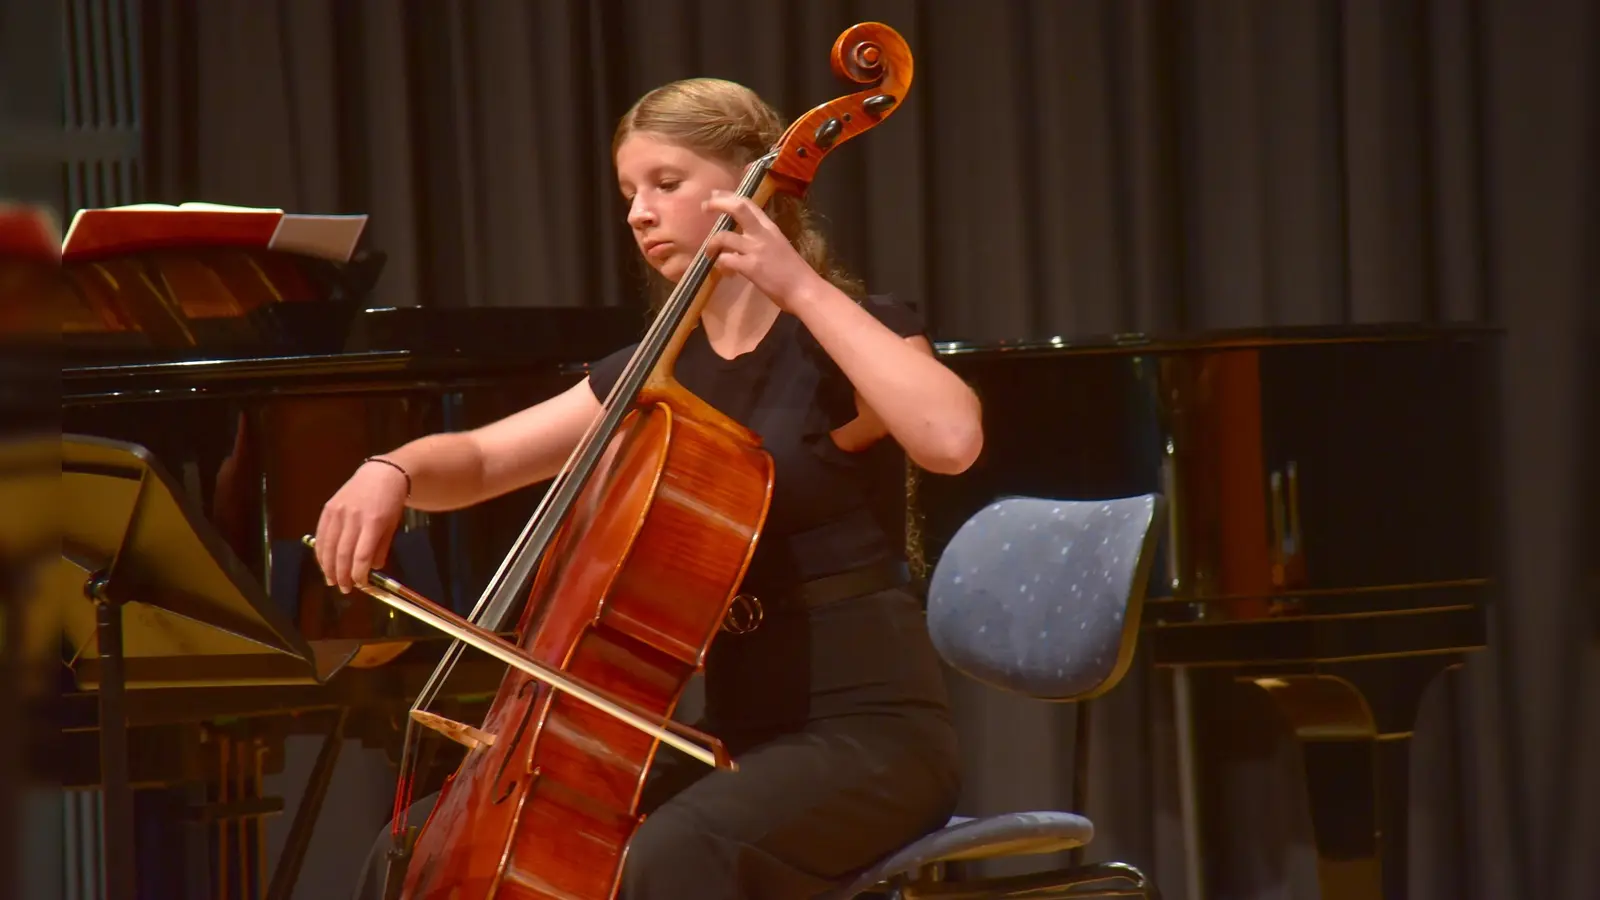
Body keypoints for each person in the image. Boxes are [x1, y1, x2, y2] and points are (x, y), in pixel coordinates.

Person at [319, 77, 984, 900]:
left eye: (665, 184)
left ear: (753, 180)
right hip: (737, 737)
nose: (639, 212)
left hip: (873, 736)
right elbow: (486, 459)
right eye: (629, 192)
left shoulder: (842, 336)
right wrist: (393, 469)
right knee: (408, 852)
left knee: (670, 858)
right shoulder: (656, 377)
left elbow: (951, 440)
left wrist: (800, 288)